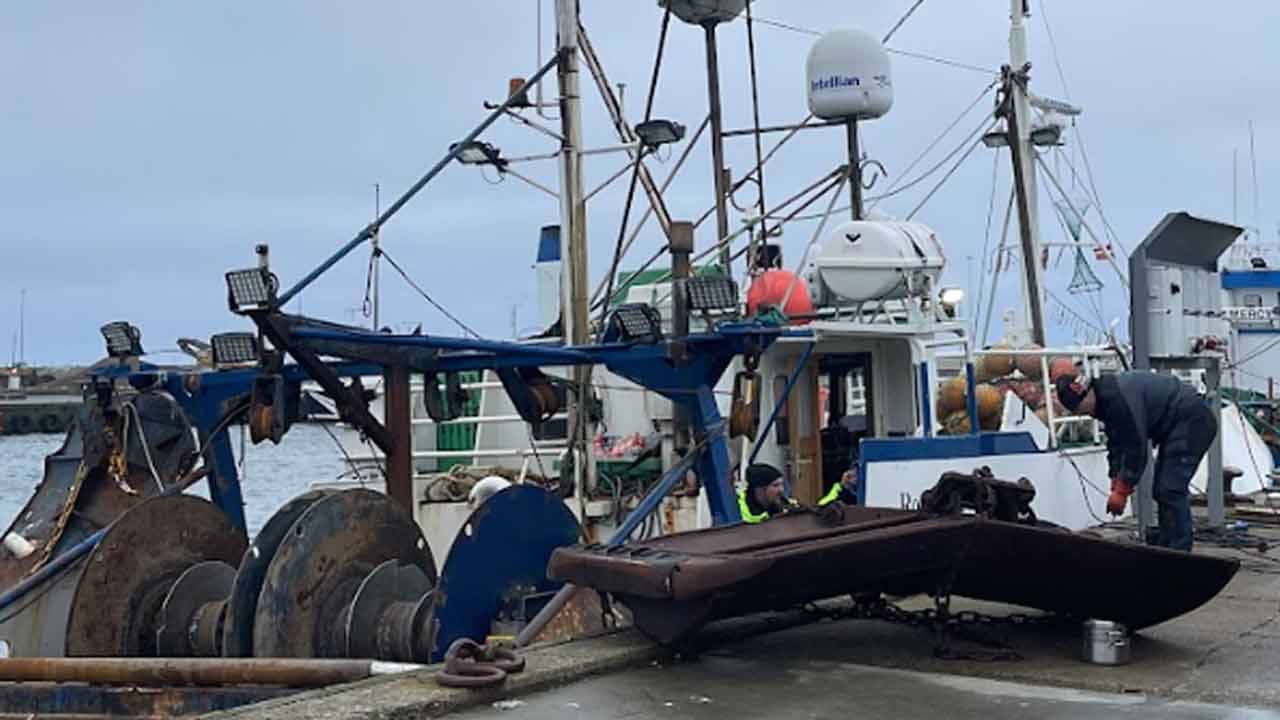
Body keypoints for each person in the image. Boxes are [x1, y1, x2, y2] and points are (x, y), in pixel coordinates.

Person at [1056, 371, 1218, 551]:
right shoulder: (1106, 397)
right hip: (1178, 424)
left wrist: (1122, 491)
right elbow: (1117, 443)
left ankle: (1180, 548)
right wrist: (1115, 478)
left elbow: (1136, 448)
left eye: (1081, 409)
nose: (1085, 414)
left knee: (1170, 489)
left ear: (1086, 394)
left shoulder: (1118, 400)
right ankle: (1168, 543)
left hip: (1193, 422)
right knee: (1162, 489)